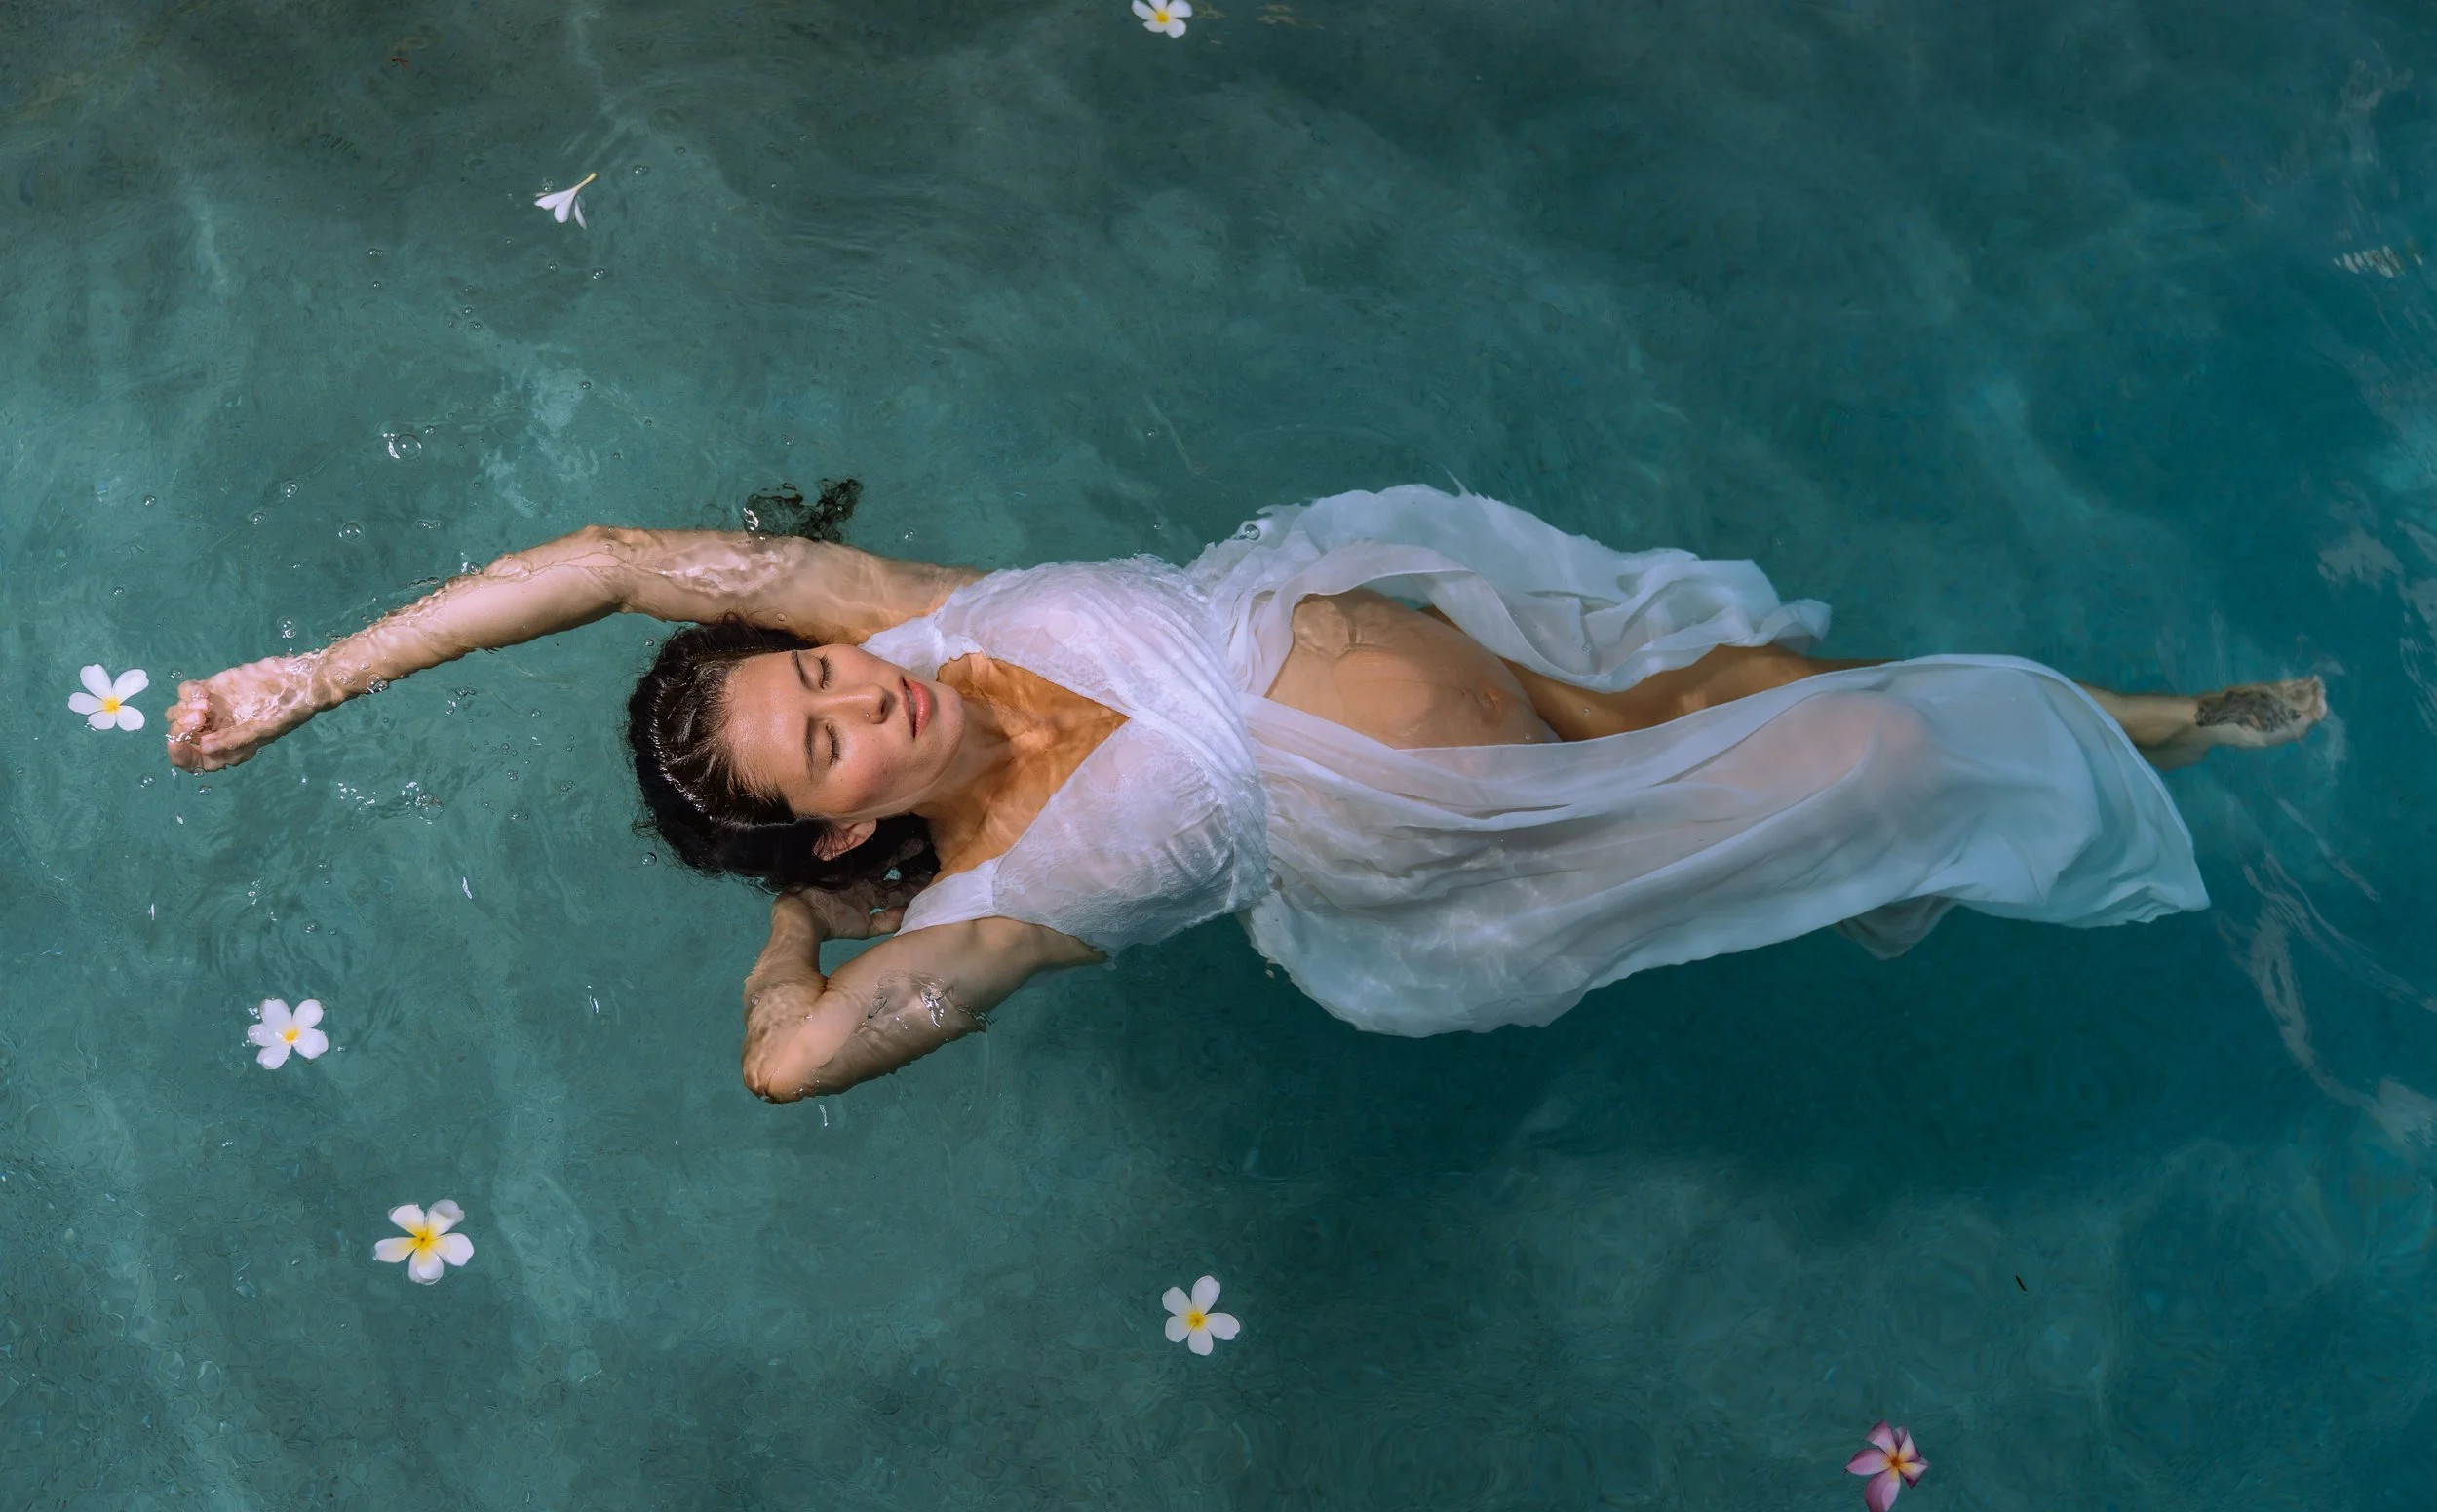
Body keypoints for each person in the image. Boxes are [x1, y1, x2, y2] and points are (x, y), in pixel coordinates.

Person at [167, 483, 2323, 1100]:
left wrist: (315, 671)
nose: (858, 699)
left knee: (1766, 681)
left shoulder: (918, 611)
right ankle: (2159, 729)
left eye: (814, 673)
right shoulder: (1002, 905)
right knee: (1850, 746)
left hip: (1489, 645)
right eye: (820, 742)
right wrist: (784, 937)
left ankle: (2063, 739)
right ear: (830, 825)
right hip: (1494, 840)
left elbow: (623, 559)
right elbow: (789, 1070)